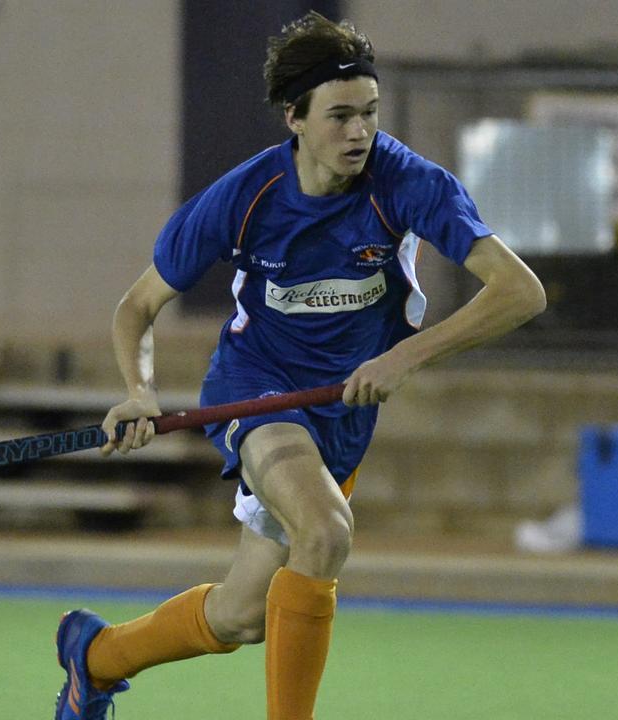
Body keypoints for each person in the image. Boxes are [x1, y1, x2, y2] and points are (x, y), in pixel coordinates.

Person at [53, 10, 546, 720]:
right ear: (295, 118)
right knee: (326, 532)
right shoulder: (243, 197)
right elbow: (137, 307)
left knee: (241, 616)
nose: (360, 133)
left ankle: (93, 660)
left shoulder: (407, 182)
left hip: (343, 411)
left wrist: (406, 354)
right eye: (340, 116)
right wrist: (140, 391)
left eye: (370, 113)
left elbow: (519, 290)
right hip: (259, 390)